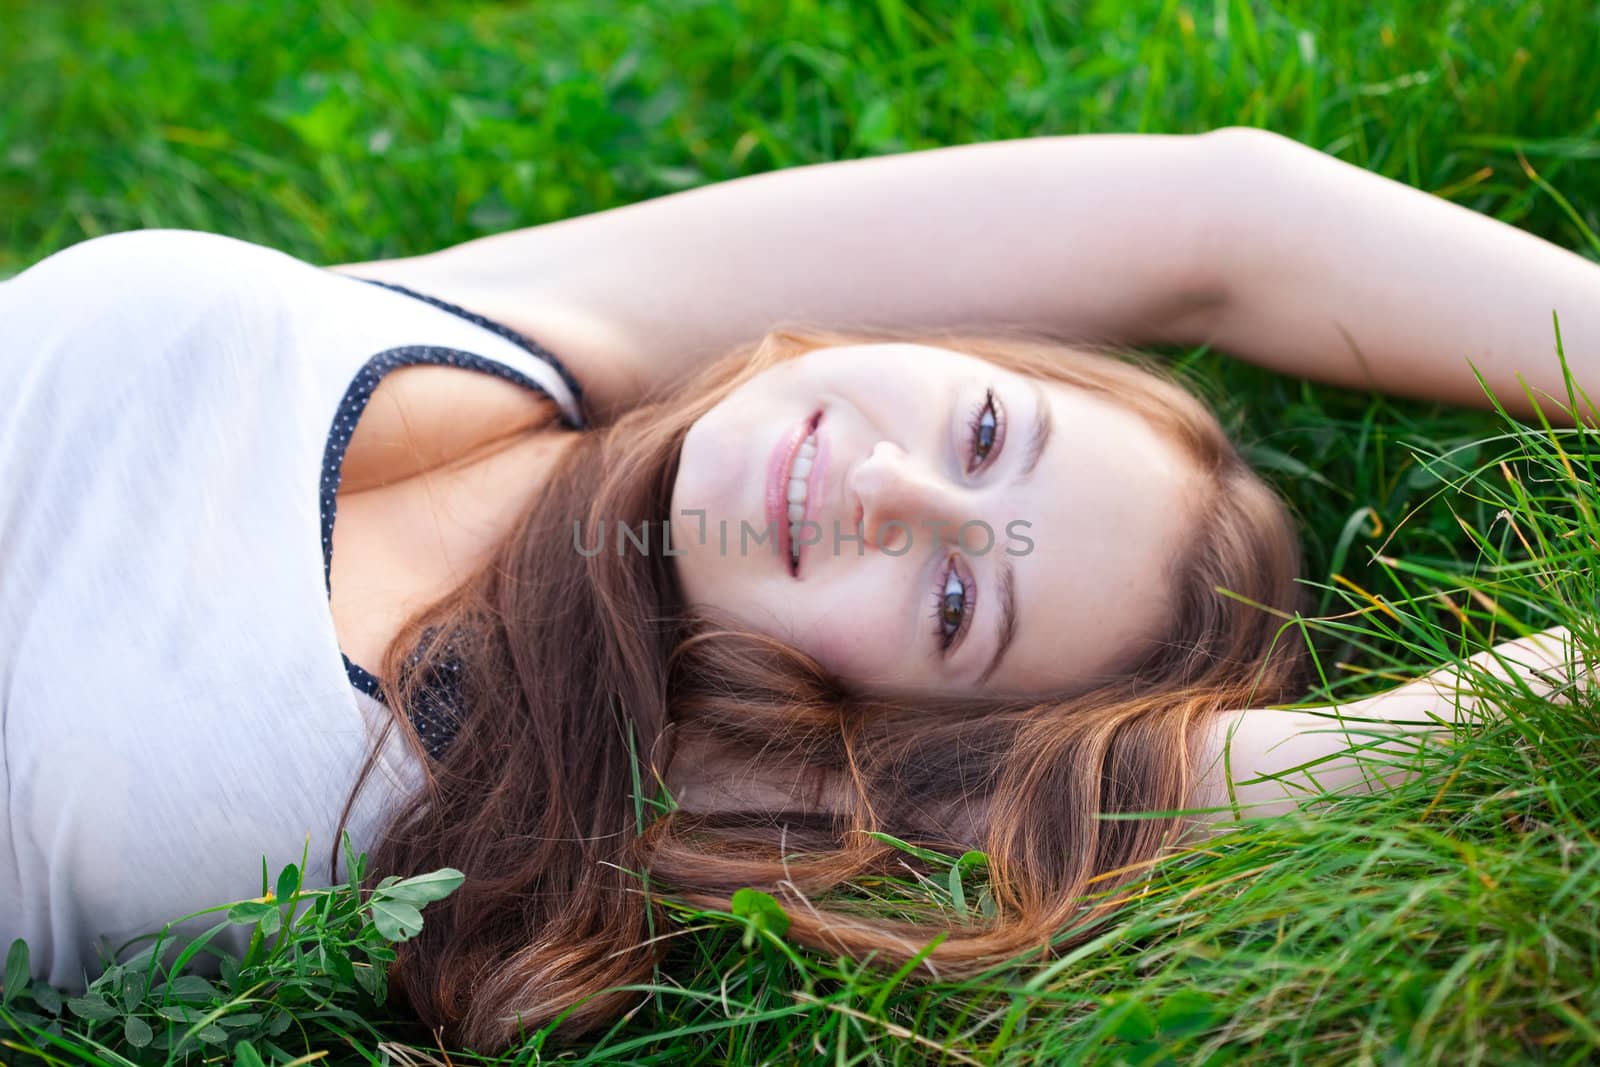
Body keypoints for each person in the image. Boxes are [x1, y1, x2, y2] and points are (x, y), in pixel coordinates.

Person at [0, 127, 1592, 1050]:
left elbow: (1358, 761)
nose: (894, 492)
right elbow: (1228, 217)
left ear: (886, 732)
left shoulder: (635, 773)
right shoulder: (555, 329)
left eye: (960, 604)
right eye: (982, 427)